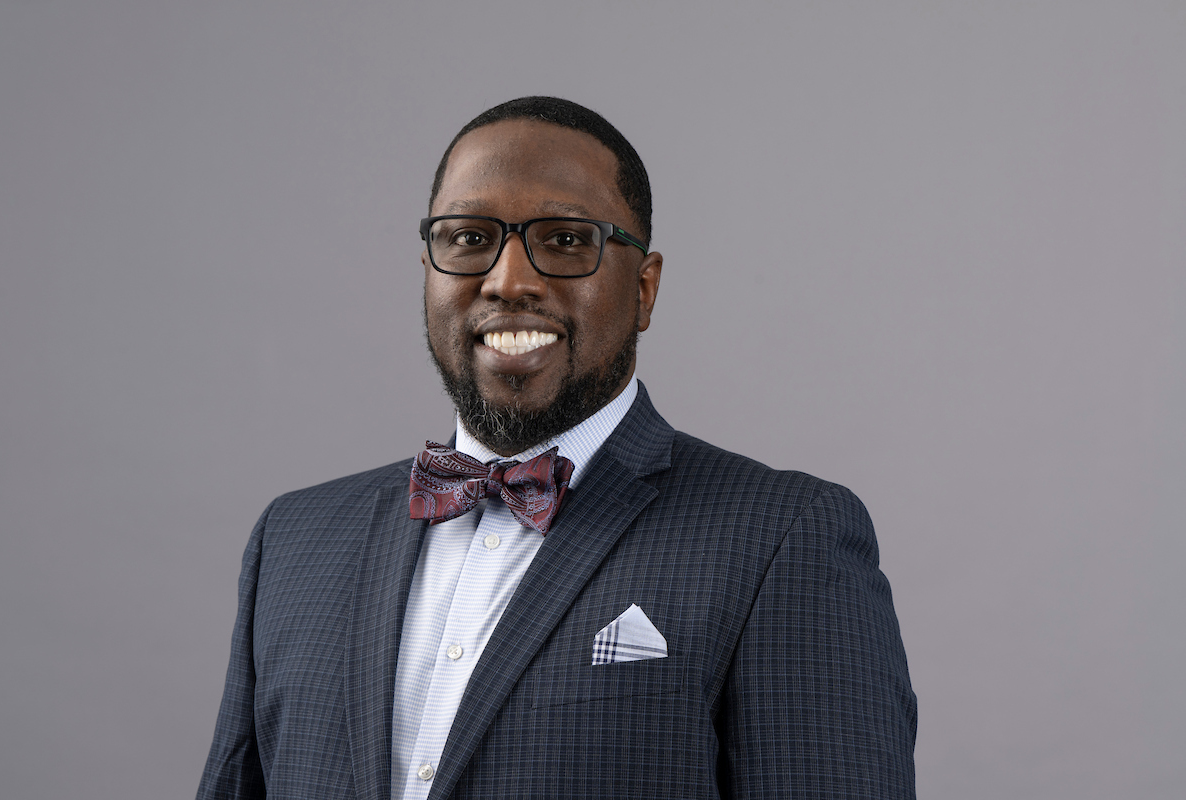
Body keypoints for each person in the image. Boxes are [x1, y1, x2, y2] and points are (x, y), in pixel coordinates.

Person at [197, 96, 917, 800]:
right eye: (470, 238)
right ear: (429, 273)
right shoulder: (292, 543)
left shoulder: (782, 537)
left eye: (567, 241)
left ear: (644, 288)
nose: (510, 280)